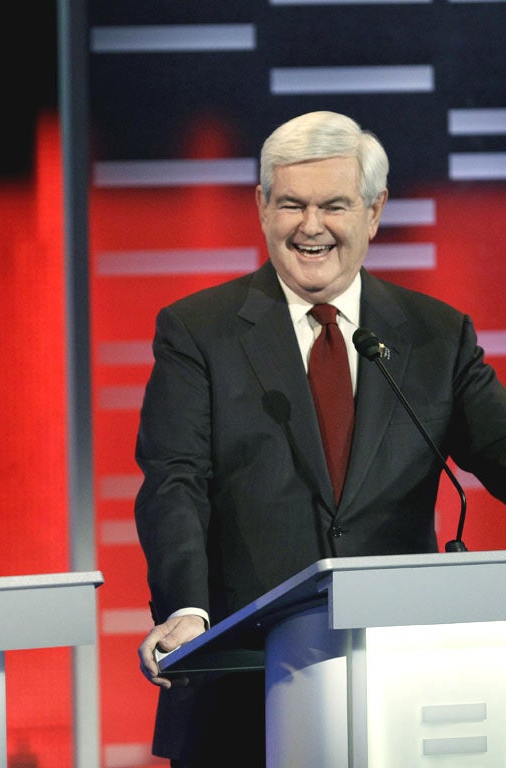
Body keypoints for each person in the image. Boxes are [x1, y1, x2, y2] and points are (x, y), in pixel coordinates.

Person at [133, 110, 506, 766]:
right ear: (261, 206)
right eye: (291, 205)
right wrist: (185, 610)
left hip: (403, 688)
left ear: (374, 210)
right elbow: (175, 480)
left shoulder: (436, 335)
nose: (311, 227)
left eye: (334, 205)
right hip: (244, 684)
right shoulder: (199, 331)